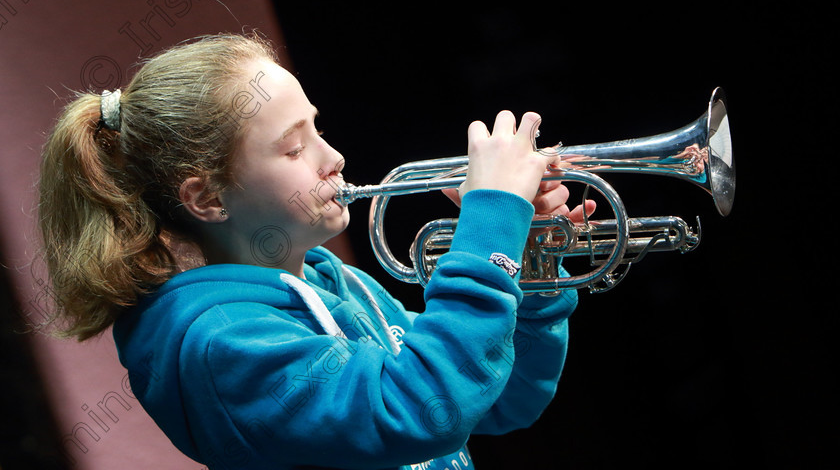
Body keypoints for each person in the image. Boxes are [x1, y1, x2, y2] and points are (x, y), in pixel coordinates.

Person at [37, 33, 592, 469]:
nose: (335, 157)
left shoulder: (341, 285)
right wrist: (488, 226)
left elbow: (501, 396)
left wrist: (531, 260)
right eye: (295, 147)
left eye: (317, 130)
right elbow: (422, 405)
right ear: (207, 197)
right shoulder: (220, 343)